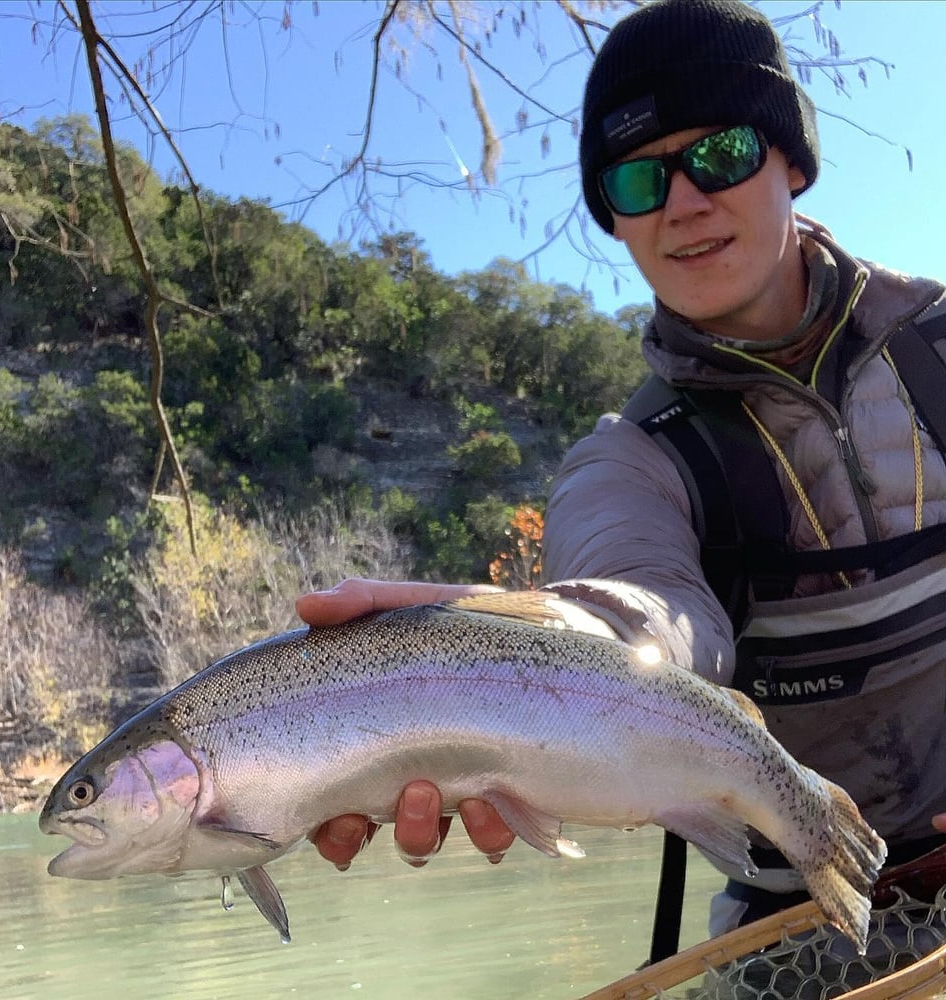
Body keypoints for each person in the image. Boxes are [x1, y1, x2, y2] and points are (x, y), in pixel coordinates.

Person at [299, 0, 946, 960]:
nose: (682, 202)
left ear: (792, 162)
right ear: (618, 219)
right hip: (799, 917)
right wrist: (535, 649)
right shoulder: (630, 458)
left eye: (720, 155)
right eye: (639, 179)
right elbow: (636, 606)